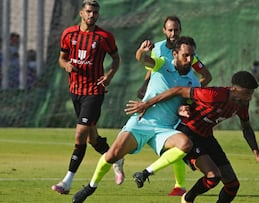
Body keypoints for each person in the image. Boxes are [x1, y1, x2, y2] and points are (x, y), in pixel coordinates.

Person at [72, 36, 200, 203]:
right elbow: (141, 59)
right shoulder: (162, 64)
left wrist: (185, 109)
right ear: (175, 54)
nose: (189, 59)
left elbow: (190, 106)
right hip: (142, 121)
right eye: (186, 55)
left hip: (165, 129)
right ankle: (90, 187)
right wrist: (141, 51)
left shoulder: (194, 81)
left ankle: (146, 172)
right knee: (112, 156)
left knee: (185, 144)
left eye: (192, 55)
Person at [125, 70, 259, 203]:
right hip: (188, 132)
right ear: (235, 89)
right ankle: (188, 199)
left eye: (251, 94)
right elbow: (178, 90)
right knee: (213, 177)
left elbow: (246, 127)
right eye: (247, 93)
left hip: (207, 137)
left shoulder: (241, 104)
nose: (249, 98)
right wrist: (147, 104)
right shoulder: (213, 95)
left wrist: (257, 153)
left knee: (232, 185)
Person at [51, 0, 123, 195]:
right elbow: (62, 57)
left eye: (95, 12)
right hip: (75, 91)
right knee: (92, 139)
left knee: (80, 134)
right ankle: (115, 158)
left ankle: (67, 181)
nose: (92, 15)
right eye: (89, 11)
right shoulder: (69, 34)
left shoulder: (104, 36)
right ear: (81, 13)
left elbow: (116, 59)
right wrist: (65, 65)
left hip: (94, 91)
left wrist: (109, 76)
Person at [137, 15, 212, 196]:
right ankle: (180, 184)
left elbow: (207, 76)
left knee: (176, 143)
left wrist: (189, 94)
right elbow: (152, 70)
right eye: (170, 30)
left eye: (176, 30)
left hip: (177, 105)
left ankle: (180, 185)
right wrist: (144, 88)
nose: (173, 33)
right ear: (164, 31)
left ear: (180, 30)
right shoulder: (157, 48)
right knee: (169, 144)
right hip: (157, 101)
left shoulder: (188, 53)